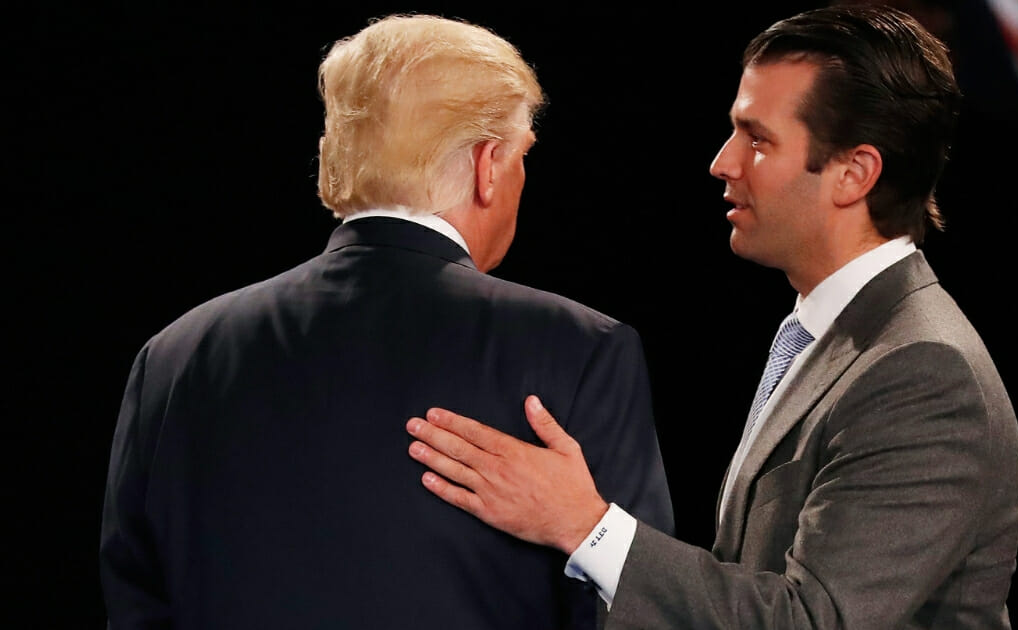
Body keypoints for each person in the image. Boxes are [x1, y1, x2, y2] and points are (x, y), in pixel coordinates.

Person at [406, 4, 1018, 628]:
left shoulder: (924, 372)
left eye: (758, 140)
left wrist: (583, 525)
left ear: (854, 174)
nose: (723, 163)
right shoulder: (832, 332)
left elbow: (809, 621)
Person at [99, 13, 673, 630]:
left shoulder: (173, 357)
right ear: (488, 166)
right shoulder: (582, 350)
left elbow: (137, 603)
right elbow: (639, 610)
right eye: (521, 156)